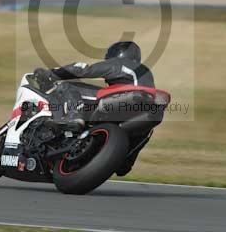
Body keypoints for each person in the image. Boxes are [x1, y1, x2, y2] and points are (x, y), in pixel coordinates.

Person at [33, 41, 155, 175]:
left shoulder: (122, 63)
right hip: (149, 111)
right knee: (143, 136)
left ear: (118, 54)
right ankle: (126, 160)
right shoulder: (146, 72)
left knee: (66, 86)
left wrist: (51, 74)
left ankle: (74, 117)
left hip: (127, 99)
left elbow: (83, 69)